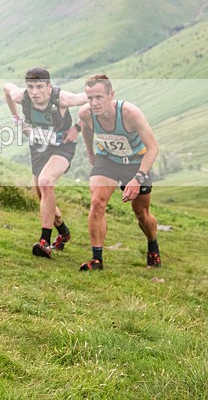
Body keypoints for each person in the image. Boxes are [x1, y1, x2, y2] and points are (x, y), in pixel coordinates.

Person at [77, 74, 160, 271]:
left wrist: (137, 179)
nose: (94, 103)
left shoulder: (130, 114)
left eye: (99, 97)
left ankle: (153, 246)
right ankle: (97, 260)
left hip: (137, 163)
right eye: (90, 98)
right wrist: (91, 154)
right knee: (97, 202)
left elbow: (153, 148)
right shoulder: (86, 114)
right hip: (108, 160)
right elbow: (86, 130)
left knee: (141, 214)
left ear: (111, 94)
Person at [3, 67, 87, 258]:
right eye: (30, 87)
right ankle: (63, 232)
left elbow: (93, 99)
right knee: (43, 195)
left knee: (46, 181)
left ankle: (44, 242)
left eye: (39, 87)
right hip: (38, 147)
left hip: (62, 147)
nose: (34, 92)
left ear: (49, 86)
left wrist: (77, 128)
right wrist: (16, 119)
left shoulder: (62, 99)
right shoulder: (21, 96)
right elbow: (6, 88)